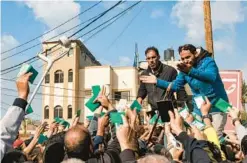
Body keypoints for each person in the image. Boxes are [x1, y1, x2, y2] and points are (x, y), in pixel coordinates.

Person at [140, 44, 228, 137]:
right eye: (182, 59)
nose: (185, 60)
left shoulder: (208, 62)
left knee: (215, 136)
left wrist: (191, 71)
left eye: (188, 57)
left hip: (217, 105)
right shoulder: (184, 70)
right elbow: (176, 85)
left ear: (195, 54)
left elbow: (211, 77)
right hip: (199, 109)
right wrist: (157, 81)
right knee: (198, 136)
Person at [137, 46, 187, 116]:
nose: (151, 60)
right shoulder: (144, 74)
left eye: (153, 57)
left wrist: (182, 108)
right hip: (154, 111)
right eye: (148, 58)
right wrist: (139, 99)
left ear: (159, 57)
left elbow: (180, 89)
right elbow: (142, 90)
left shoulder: (170, 71)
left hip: (169, 110)